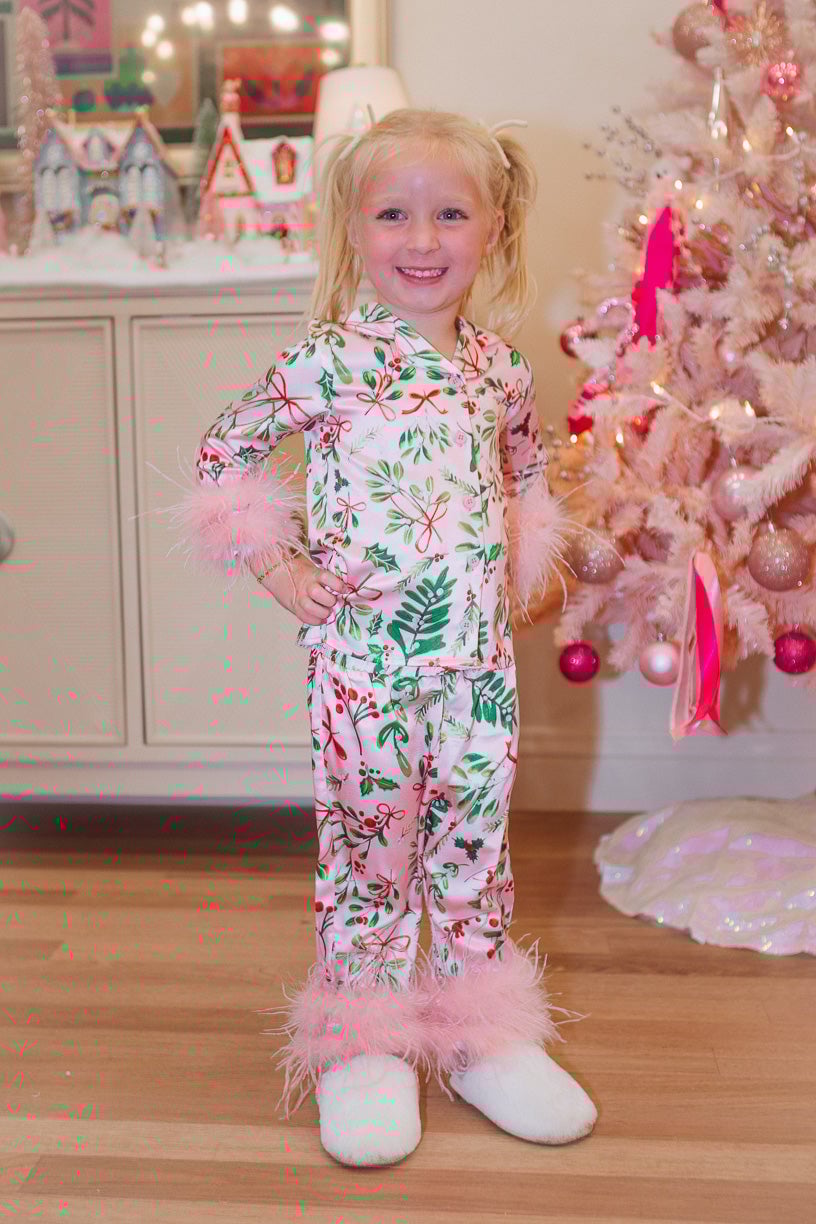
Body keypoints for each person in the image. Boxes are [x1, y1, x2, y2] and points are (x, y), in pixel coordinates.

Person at [178, 107, 596, 1166]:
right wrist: (278, 567)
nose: (422, 239)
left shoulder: (500, 371)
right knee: (372, 849)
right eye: (393, 215)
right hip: (363, 668)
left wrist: (520, 566)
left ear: (494, 229)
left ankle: (481, 1035)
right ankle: (362, 1044)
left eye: (450, 214)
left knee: (473, 847)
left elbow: (526, 472)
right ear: (355, 231)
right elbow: (223, 455)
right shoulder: (326, 363)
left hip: (478, 673)